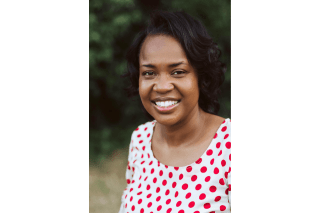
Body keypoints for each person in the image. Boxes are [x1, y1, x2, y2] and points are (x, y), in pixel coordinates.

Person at [119, 10, 231, 213]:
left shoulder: (230, 145)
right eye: (149, 73)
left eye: (178, 72)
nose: (161, 86)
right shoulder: (140, 139)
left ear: (201, 77)